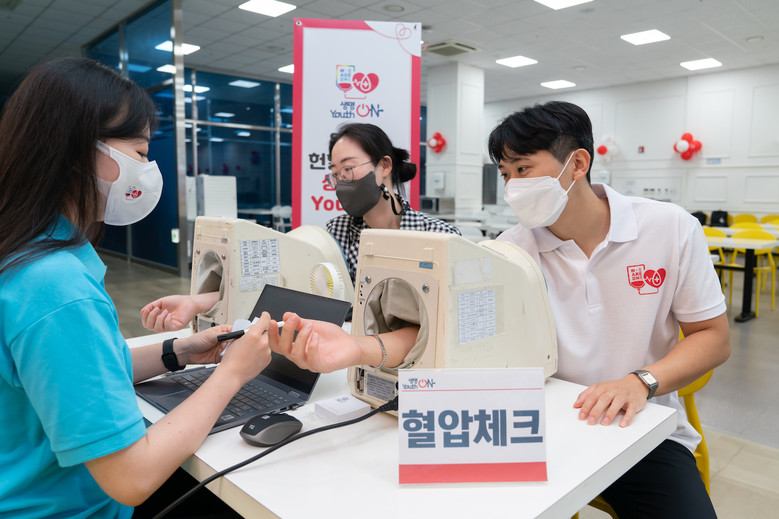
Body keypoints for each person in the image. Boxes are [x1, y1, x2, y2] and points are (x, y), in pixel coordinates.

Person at [0, 57, 272, 518]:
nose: (148, 168)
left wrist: (179, 352)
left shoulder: (26, 254)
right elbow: (132, 476)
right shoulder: (57, 287)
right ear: (78, 150)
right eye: (141, 152)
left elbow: (76, 375)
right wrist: (232, 374)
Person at [487, 101, 730, 517]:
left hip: (640, 427)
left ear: (578, 163)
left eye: (523, 169)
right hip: (542, 424)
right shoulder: (510, 250)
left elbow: (713, 337)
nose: (512, 187)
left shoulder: (669, 227)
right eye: (505, 174)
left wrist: (641, 382)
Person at [140, 123, 459, 335]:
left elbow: (448, 318)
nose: (341, 181)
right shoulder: (337, 231)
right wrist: (197, 302)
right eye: (335, 173)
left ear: (384, 166)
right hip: (346, 357)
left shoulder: (438, 238)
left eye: (349, 168)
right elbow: (284, 283)